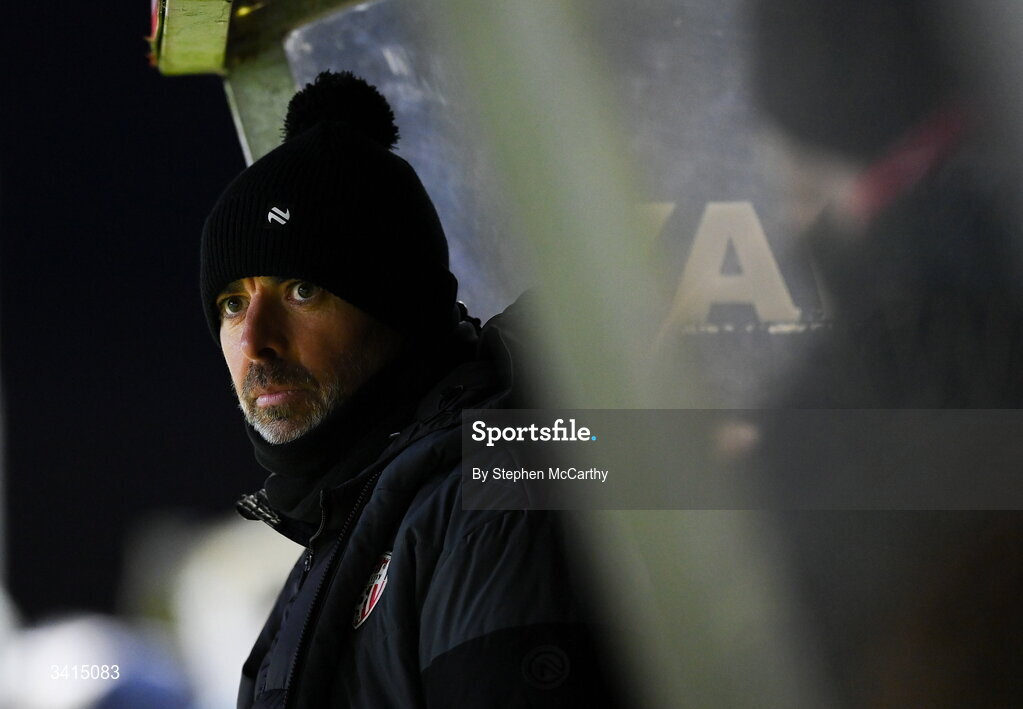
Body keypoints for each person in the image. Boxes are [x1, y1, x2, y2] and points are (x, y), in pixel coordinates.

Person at [199, 71, 621, 708]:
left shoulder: (492, 497)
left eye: (302, 290)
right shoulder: (340, 528)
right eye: (233, 304)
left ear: (396, 305)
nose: (256, 340)